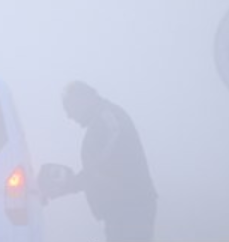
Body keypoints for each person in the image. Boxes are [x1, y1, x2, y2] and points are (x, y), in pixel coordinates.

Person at [48, 81, 157, 242]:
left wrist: (68, 186)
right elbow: (97, 168)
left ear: (83, 100)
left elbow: (99, 166)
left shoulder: (109, 120)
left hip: (131, 207)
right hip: (119, 209)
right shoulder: (102, 121)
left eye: (70, 108)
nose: (69, 116)